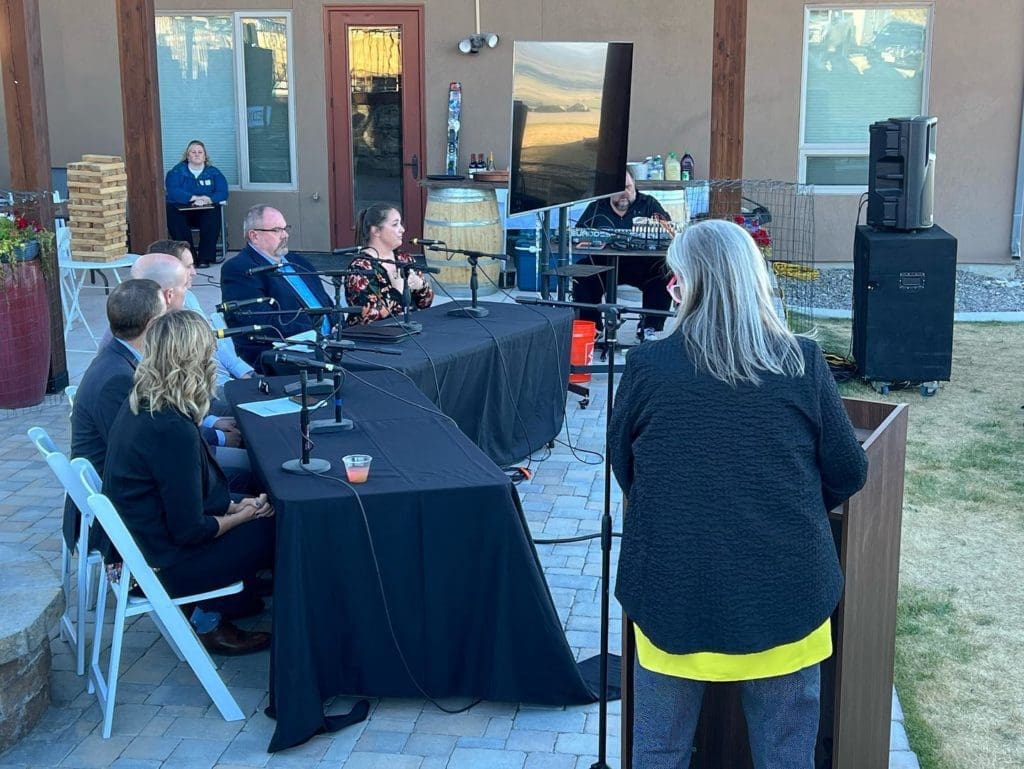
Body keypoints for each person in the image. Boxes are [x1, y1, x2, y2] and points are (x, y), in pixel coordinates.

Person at [609, 219, 869, 768]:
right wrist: (787, 505)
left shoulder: (647, 367)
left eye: (673, 277)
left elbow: (626, 469)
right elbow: (848, 470)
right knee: (785, 757)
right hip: (786, 595)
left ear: (685, 284)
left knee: (659, 753)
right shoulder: (800, 361)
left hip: (673, 595)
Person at [103, 310, 275, 656]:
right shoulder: (169, 426)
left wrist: (233, 505)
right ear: (194, 360)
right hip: (161, 566)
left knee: (259, 504)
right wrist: (244, 516)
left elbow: (185, 494)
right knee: (279, 525)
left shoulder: (147, 399)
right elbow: (190, 530)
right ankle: (216, 618)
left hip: (149, 546)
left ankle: (232, 601)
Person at [64, 279, 166, 553]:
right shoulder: (118, 378)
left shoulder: (117, 357)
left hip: (121, 488)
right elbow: (138, 452)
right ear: (154, 324)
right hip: (121, 505)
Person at [131, 253, 250, 485]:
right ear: (168, 294)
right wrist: (240, 511)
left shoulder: (155, 329)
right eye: (185, 284)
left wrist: (209, 422)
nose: (194, 276)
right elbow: (189, 516)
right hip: (166, 476)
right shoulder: (144, 342)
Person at [220, 205, 335, 369]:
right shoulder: (240, 269)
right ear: (254, 236)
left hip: (327, 345)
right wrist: (315, 332)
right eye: (277, 230)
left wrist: (336, 323)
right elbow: (261, 321)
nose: (285, 235)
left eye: (285, 228)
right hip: (284, 353)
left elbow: (324, 299)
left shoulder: (298, 261)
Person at [573, 169, 673, 341]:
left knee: (664, 273)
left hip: (642, 266)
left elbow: (667, 232)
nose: (624, 194)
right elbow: (578, 234)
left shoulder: (648, 204)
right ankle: (593, 328)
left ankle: (649, 327)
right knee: (581, 275)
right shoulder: (597, 206)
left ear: (634, 185)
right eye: (618, 190)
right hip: (602, 265)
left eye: (628, 187)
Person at [148, 239, 255, 390]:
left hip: (228, 380)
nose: (194, 272)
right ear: (169, 271)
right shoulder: (155, 317)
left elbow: (216, 344)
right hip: (205, 391)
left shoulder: (189, 297)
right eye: (188, 266)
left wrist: (245, 374)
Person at [345, 203, 434, 324]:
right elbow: (367, 317)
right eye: (395, 224)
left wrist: (421, 287)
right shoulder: (360, 267)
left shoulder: (404, 259)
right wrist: (396, 291)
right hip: (373, 337)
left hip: (410, 330)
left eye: (400, 224)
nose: (402, 229)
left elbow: (425, 304)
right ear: (376, 231)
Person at [164, 140, 228, 267]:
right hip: (183, 212)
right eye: (193, 152)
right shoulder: (176, 172)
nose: (197, 154)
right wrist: (193, 198)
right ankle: (189, 258)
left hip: (205, 211)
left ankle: (205, 258)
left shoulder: (214, 173)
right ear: (187, 156)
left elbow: (223, 192)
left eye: (200, 152)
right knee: (172, 212)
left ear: (205, 156)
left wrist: (208, 199)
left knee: (213, 213)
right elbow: (172, 191)